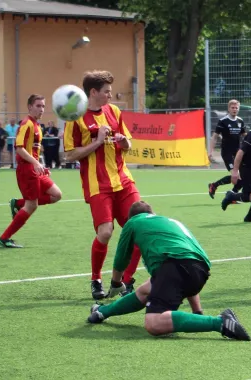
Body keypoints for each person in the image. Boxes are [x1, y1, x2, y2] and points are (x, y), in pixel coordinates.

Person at [87, 200, 251, 341]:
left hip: (175, 267)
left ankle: (220, 322)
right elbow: (187, 264)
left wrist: (116, 282)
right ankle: (102, 312)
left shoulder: (133, 222)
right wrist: (197, 312)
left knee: (154, 323)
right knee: (146, 290)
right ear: (153, 213)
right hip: (200, 270)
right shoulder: (170, 222)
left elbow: (121, 258)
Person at [63, 70, 142, 300]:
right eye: (106, 91)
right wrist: (97, 142)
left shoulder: (114, 111)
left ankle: (126, 281)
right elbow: (69, 155)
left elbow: (128, 144)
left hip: (124, 180)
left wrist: (124, 140)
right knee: (105, 232)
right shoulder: (75, 117)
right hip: (98, 185)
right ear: (93, 92)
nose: (110, 95)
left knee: (140, 229)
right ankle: (96, 278)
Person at [0, 94, 63, 248]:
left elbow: (32, 150)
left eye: (43, 106)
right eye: (38, 105)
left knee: (56, 195)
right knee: (31, 205)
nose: (41, 109)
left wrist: (40, 165)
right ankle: (5, 238)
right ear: (30, 107)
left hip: (34, 168)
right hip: (26, 170)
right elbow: (19, 149)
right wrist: (35, 163)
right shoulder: (26, 124)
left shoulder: (37, 125)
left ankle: (18, 203)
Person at [207, 99, 247, 199]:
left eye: (236, 108)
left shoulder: (240, 121)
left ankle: (230, 193)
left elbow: (245, 136)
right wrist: (210, 152)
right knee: (236, 175)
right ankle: (215, 186)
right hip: (227, 152)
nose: (234, 109)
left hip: (238, 152)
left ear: (239, 109)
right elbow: (215, 137)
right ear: (229, 109)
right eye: (232, 108)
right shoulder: (223, 121)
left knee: (244, 176)